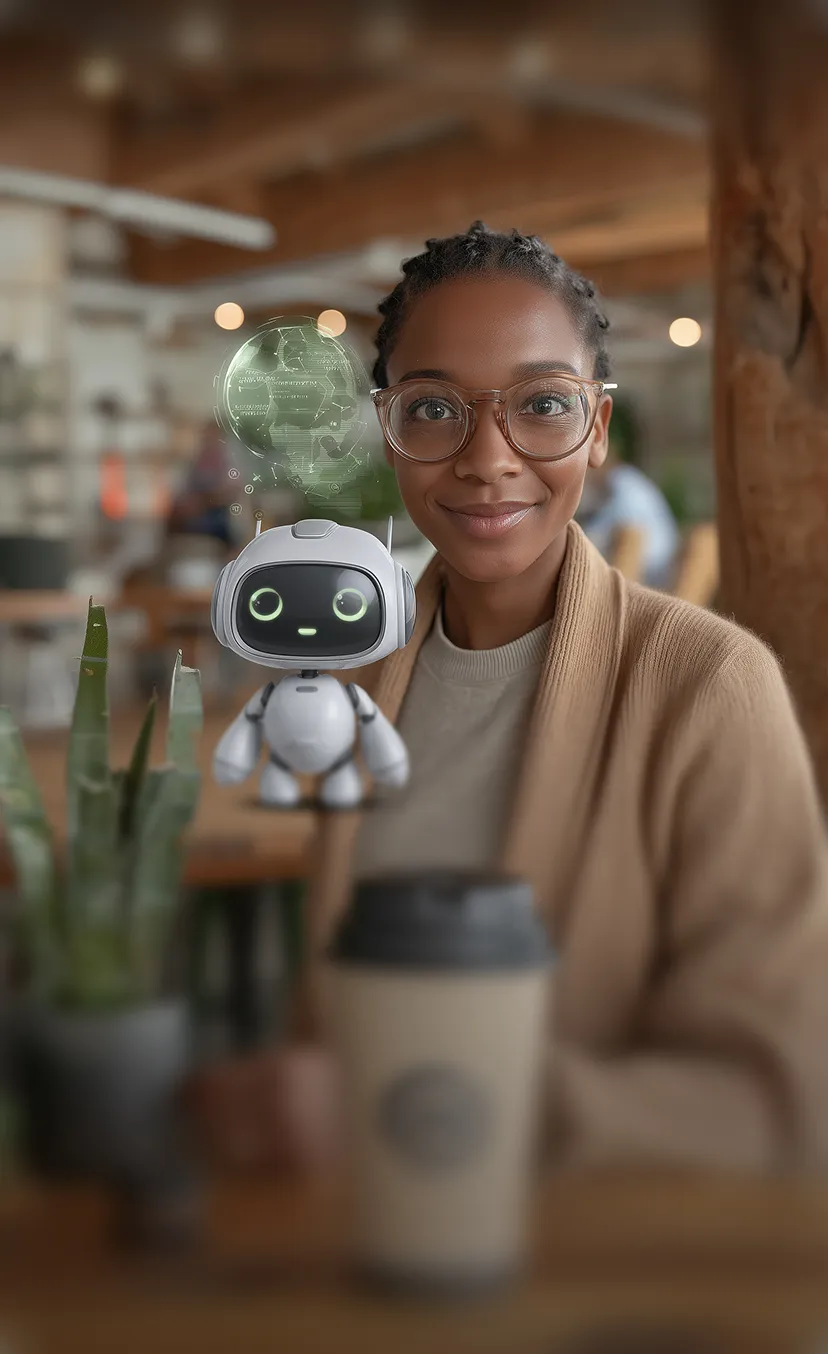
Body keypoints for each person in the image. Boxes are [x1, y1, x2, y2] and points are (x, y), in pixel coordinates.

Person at [199, 223, 828, 1176]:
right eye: (433, 409)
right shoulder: (359, 674)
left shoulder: (708, 686)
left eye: (541, 404)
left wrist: (403, 1112)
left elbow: (777, 1104)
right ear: (390, 430)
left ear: (599, 429)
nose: (488, 458)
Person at [576, 442, 680, 588]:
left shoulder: (623, 482)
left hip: (652, 567)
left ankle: (616, 606)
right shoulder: (610, 489)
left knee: (628, 537)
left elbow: (624, 525)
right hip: (654, 565)